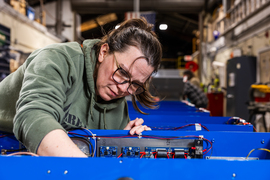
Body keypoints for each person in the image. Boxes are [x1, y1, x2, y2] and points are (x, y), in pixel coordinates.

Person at [0, 18, 162, 157]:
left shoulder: (116, 103)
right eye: (122, 73)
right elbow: (33, 117)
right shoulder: (57, 59)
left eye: (134, 84)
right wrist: (88, 169)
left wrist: (122, 139)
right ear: (104, 52)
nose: (123, 89)